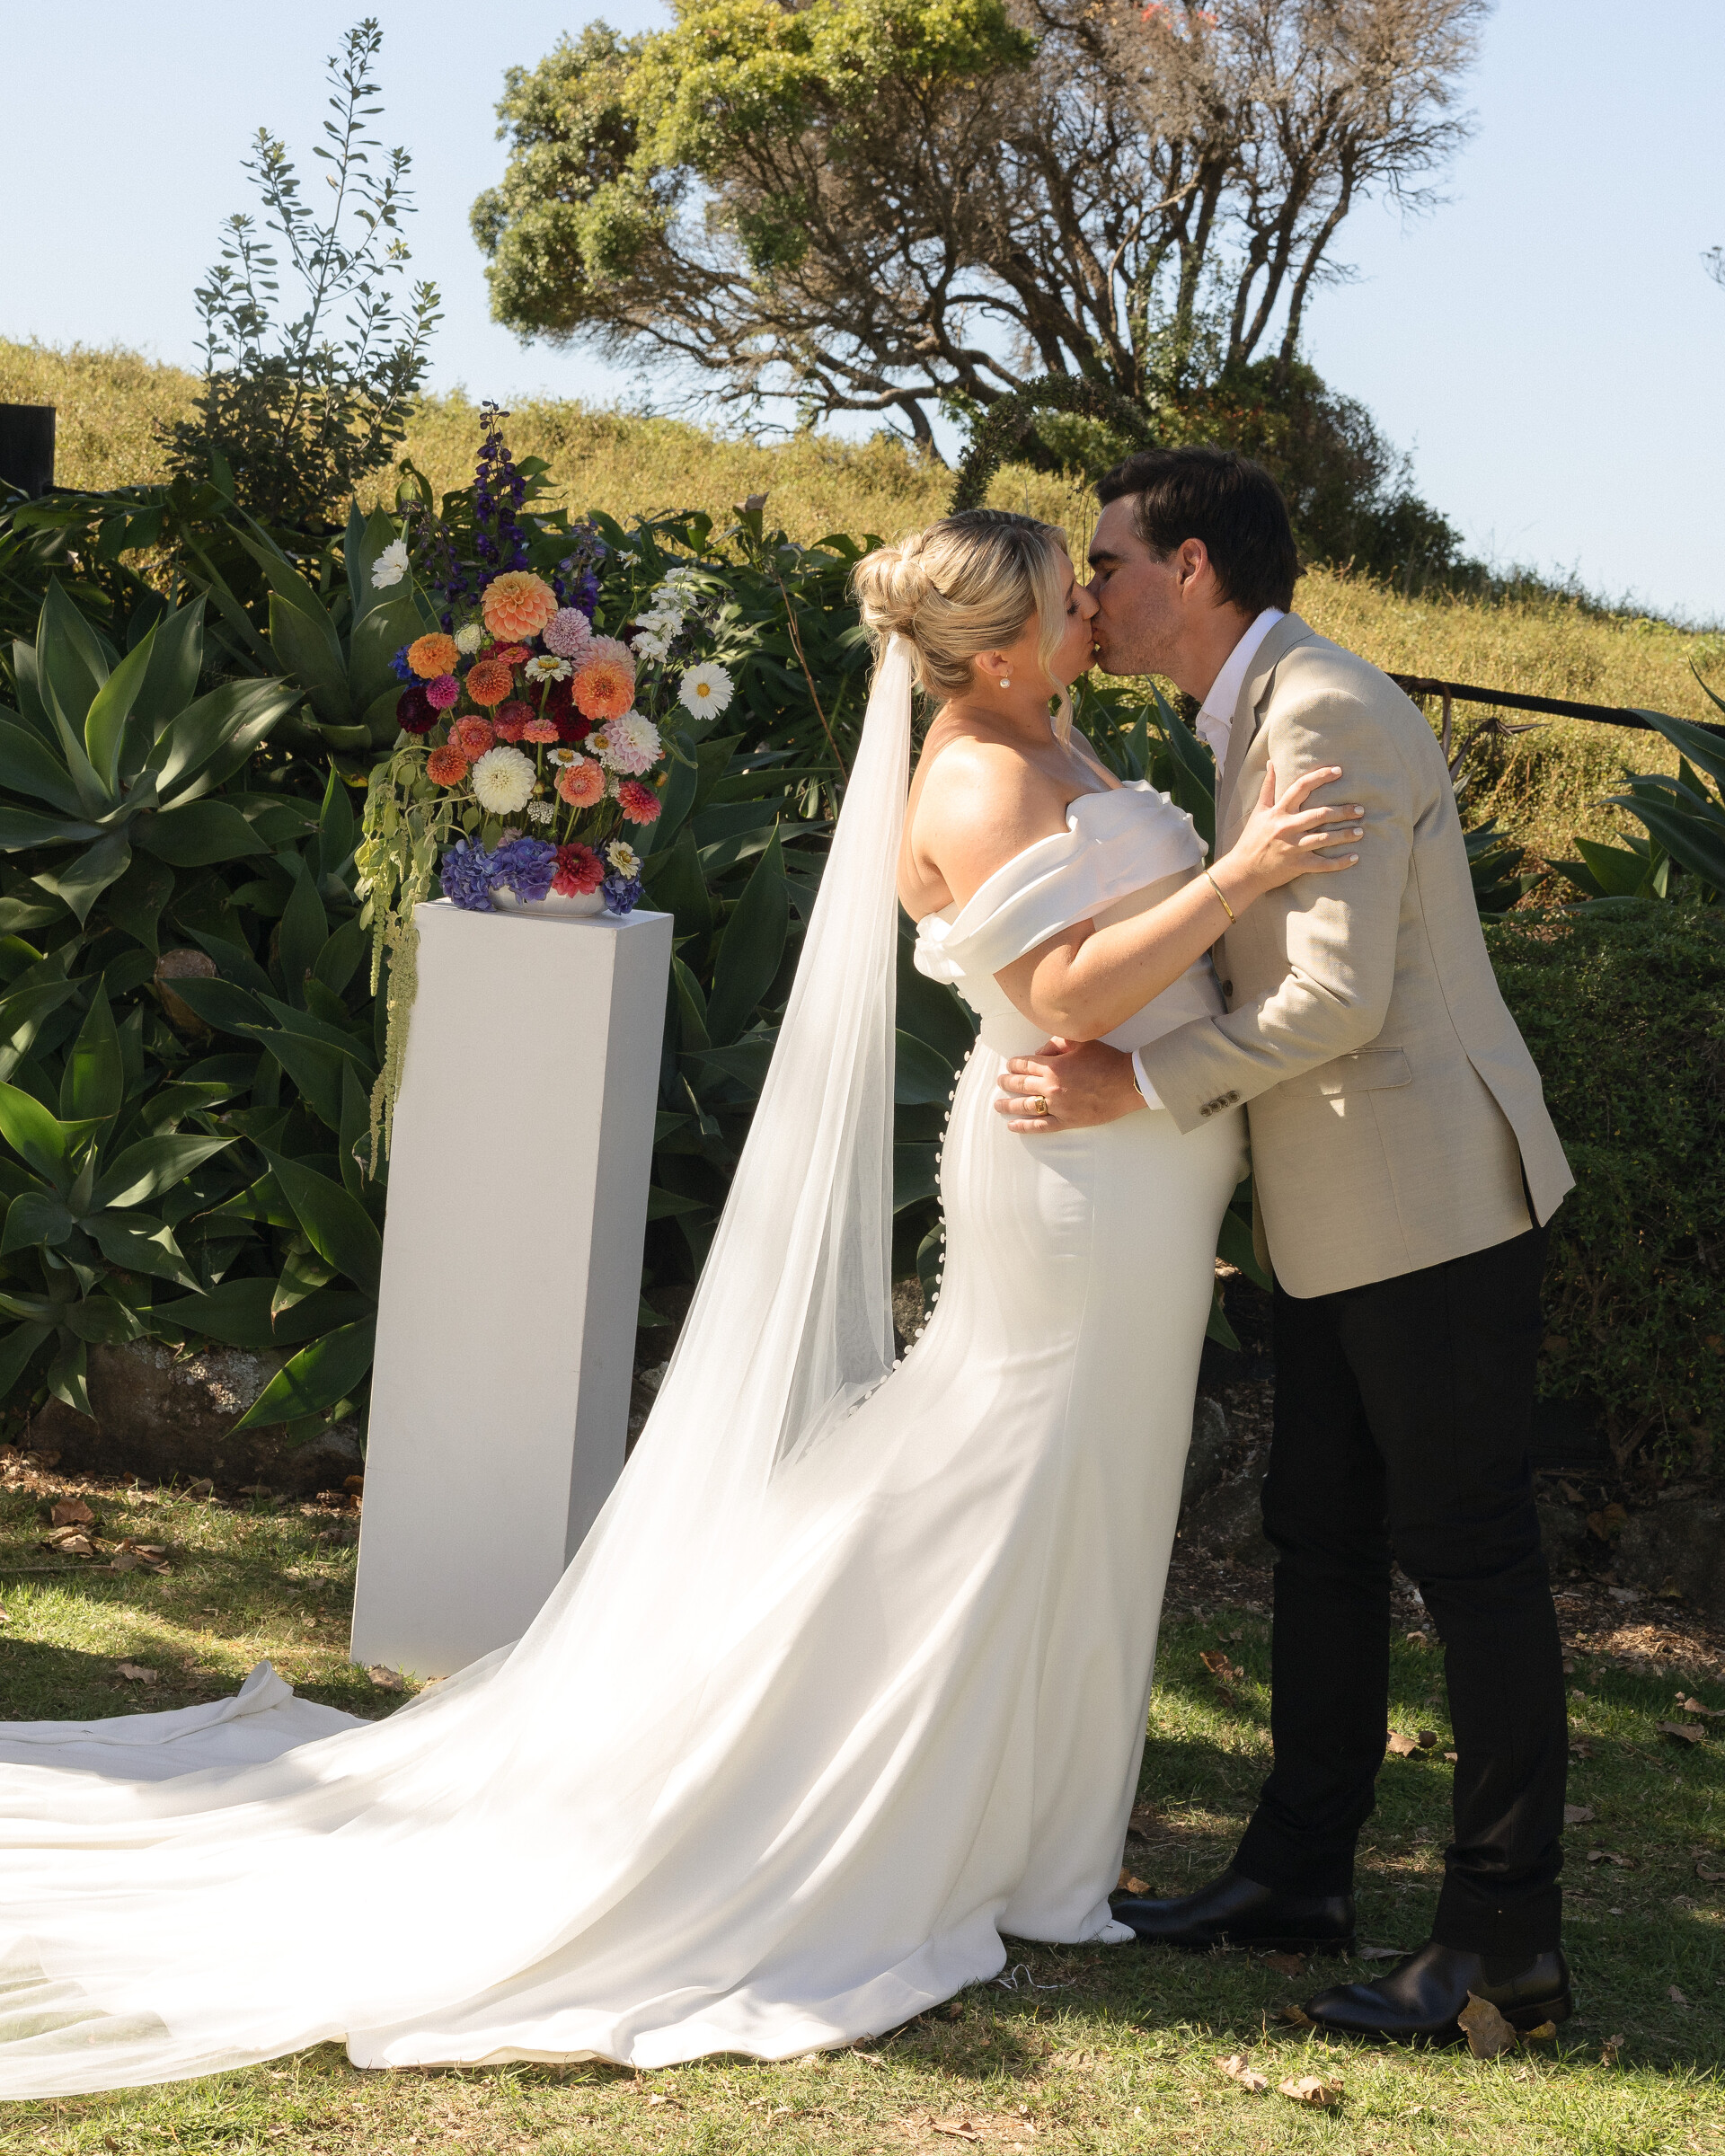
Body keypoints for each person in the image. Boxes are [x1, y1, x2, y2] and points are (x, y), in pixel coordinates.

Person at [0, 509, 1359, 2099]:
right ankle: (816, 1773)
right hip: (1072, 1190)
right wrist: (1249, 872)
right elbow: (1060, 993)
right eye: (1070, 597)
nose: (1092, 611)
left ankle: (1034, 1831)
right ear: (997, 651)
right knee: (1006, 1467)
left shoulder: (1055, 739)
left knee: (1088, 1487)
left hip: (1145, 1185)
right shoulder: (980, 777)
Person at [994, 449, 1577, 2045]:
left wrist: (1135, 1085)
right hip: (1329, 1212)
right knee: (1319, 1536)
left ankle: (1505, 1946)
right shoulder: (1237, 715)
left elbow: (1336, 999)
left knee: (1472, 1560)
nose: (1088, 591)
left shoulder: (1323, 711)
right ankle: (1298, 1874)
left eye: (1108, 561)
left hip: (1432, 1203)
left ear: (1191, 569)